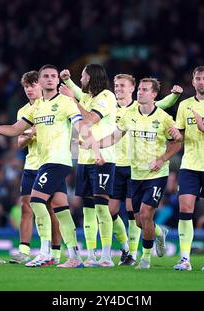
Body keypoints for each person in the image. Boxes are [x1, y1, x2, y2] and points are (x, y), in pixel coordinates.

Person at [0, 65, 103, 268]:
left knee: (36, 201)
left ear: (58, 81)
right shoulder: (35, 107)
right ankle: (75, 256)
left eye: (53, 76)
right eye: (45, 76)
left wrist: (96, 150)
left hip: (57, 161)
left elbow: (81, 126)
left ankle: (46, 252)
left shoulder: (66, 103)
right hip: (43, 163)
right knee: (61, 209)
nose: (49, 79)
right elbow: (15, 130)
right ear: (40, 80)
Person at [61, 70, 183, 265]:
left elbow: (163, 105)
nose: (118, 89)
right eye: (116, 86)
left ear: (132, 89)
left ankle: (134, 253)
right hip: (116, 164)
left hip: (137, 167)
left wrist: (175, 95)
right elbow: (81, 95)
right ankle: (133, 242)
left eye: (122, 86)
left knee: (136, 214)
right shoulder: (111, 106)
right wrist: (68, 81)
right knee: (110, 211)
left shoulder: (140, 108)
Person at [168, 66, 204, 272]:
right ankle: (184, 258)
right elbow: (180, 136)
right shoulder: (184, 106)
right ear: (192, 82)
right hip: (190, 165)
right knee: (185, 208)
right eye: (197, 78)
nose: (201, 82)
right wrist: (175, 136)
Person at [59, 64, 117, 267]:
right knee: (88, 210)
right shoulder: (87, 97)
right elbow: (75, 91)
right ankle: (92, 255)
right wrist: (67, 80)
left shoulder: (107, 96)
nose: (80, 79)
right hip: (84, 158)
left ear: (91, 78)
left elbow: (90, 119)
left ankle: (107, 256)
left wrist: (71, 100)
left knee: (102, 208)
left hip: (103, 158)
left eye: (82, 76)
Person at [9, 69, 62, 265]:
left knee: (51, 208)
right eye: (26, 87)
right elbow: (19, 142)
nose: (29, 90)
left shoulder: (51, 105)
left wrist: (32, 132)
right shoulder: (23, 111)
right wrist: (30, 134)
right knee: (27, 206)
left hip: (50, 163)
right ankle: (24, 250)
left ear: (40, 85)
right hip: (31, 164)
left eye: (32, 85)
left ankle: (55, 252)